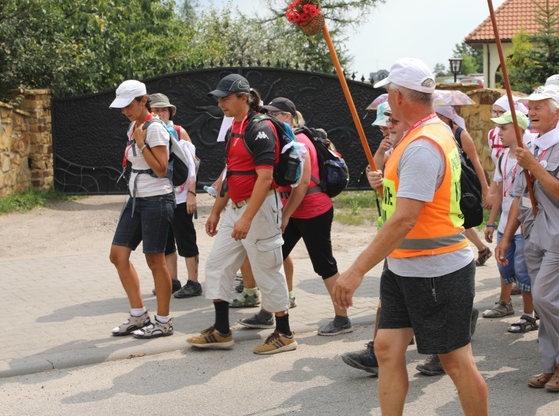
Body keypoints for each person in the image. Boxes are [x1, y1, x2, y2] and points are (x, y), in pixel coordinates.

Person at [333, 58, 488, 415]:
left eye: (389, 93)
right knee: (386, 349)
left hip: (436, 269)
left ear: (400, 96)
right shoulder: (421, 133)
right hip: (405, 266)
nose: (387, 100)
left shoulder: (421, 146)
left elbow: (404, 219)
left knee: (455, 362)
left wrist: (355, 271)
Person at [187, 74, 296, 354]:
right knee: (217, 265)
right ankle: (222, 331)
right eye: (219, 98)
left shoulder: (260, 129)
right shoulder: (235, 127)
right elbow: (231, 173)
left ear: (244, 98)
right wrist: (216, 212)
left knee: (267, 269)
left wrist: (247, 217)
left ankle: (284, 333)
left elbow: (264, 178)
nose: (221, 103)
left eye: (226, 98)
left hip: (259, 209)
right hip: (235, 208)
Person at [498, 87, 559, 392]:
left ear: (557, 111)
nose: (532, 113)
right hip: (534, 231)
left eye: (538, 108)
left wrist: (532, 166)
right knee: (542, 301)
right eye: (530, 108)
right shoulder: (532, 144)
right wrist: (507, 236)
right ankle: (551, 366)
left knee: (546, 298)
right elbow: (519, 196)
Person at [264, 96, 352, 336]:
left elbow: (302, 185)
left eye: (273, 114)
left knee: (324, 265)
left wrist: (284, 216)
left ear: (286, 117)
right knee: (273, 258)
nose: (268, 118)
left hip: (313, 210)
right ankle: (267, 311)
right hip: (296, 209)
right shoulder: (286, 140)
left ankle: (342, 319)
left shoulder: (300, 141)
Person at [108, 80, 175, 339]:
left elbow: (160, 169)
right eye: (121, 107)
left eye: (128, 105)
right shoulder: (134, 126)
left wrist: (142, 144)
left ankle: (164, 321)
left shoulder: (155, 128)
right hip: (136, 199)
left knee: (155, 261)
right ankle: (138, 315)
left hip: (157, 200)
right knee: (117, 255)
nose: (124, 111)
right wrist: (137, 139)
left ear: (143, 100)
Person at [484, 111, 536, 330]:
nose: (499, 133)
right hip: (505, 224)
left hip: (523, 225)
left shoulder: (529, 155)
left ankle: (529, 314)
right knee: (505, 268)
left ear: (518, 130)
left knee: (523, 272)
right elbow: (501, 191)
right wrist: (491, 221)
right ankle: (508, 304)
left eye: (504, 128)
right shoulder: (503, 157)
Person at [149, 93, 202, 299]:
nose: (160, 113)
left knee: (185, 238)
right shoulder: (147, 132)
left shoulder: (179, 132)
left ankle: (194, 282)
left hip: (180, 196)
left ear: (170, 111)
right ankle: (172, 281)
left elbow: (192, 164)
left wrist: (191, 193)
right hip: (159, 195)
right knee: (166, 241)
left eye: (163, 110)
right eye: (156, 110)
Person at [435, 105, 492, 266]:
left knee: (458, 219)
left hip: (464, 183)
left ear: (447, 118)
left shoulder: (461, 134)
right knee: (457, 219)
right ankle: (482, 249)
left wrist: (485, 188)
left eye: (438, 115)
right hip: (449, 182)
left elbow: (476, 162)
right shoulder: (439, 133)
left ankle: (471, 251)